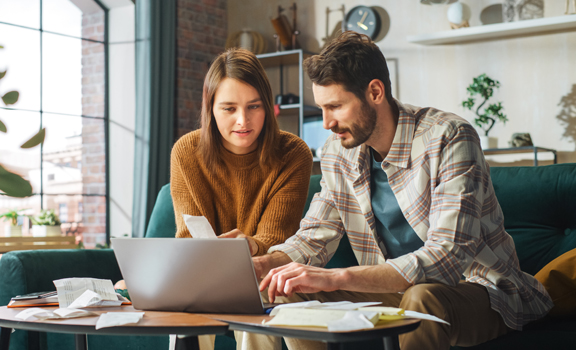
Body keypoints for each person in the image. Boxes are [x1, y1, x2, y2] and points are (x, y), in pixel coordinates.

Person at [248, 31, 553, 350]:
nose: (326, 123)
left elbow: (447, 257)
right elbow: (316, 233)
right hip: (391, 293)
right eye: (322, 108)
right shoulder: (338, 152)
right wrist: (264, 265)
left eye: (335, 106)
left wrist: (338, 277)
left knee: (421, 298)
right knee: (278, 288)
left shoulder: (449, 137)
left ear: (375, 92)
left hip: (479, 290)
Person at [118, 48, 313, 350]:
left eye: (254, 106)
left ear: (268, 107)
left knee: (260, 290)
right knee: (186, 297)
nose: (242, 121)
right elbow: (188, 237)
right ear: (210, 108)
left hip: (263, 269)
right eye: (229, 108)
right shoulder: (186, 151)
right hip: (201, 274)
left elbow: (277, 238)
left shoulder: (293, 153)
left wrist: (248, 246)